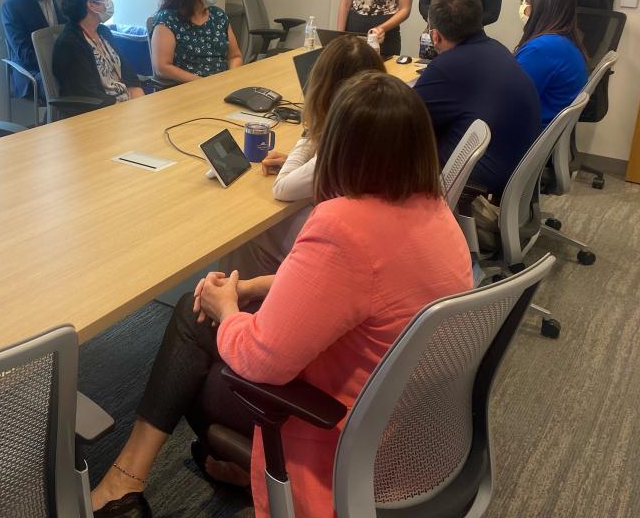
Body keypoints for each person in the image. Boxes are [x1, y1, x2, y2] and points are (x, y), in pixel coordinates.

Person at [90, 72, 472, 518]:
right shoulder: (434, 210)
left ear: (338, 147)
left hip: (336, 429)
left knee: (194, 319)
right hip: (407, 427)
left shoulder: (343, 226)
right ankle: (236, 472)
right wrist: (251, 287)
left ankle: (126, 480)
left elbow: (259, 360)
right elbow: (341, 291)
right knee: (212, 317)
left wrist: (227, 309)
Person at [221, 35, 386, 278]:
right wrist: (298, 160)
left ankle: (235, 304)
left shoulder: (345, 145)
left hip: (346, 256)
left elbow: (283, 188)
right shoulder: (379, 124)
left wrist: (310, 128)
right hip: (371, 237)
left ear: (324, 91)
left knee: (248, 229)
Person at [414, 0, 540, 198]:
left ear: (435, 36)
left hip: (480, 180)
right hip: (513, 172)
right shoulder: (497, 49)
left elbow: (404, 119)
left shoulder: (447, 66)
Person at [52, 0, 144, 107]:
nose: (109, 0)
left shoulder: (103, 31)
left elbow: (128, 73)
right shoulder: (69, 44)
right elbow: (86, 93)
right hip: (103, 112)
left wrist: (139, 101)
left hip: (126, 106)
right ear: (92, 5)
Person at [150, 0, 242, 82]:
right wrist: (203, 83)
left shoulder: (218, 16)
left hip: (222, 85)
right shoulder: (168, 20)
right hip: (188, 88)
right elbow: (162, 68)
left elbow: (235, 56)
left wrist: (230, 78)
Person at [514, 0, 589, 127]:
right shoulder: (563, 42)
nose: (524, 7)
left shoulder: (542, 49)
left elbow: (511, 98)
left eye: (527, 1)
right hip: (546, 127)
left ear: (543, 9)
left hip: (528, 132)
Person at [1, 0, 66, 100]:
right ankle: (54, 123)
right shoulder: (13, 6)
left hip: (65, 64)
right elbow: (23, 52)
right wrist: (57, 66)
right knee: (62, 86)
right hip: (32, 71)